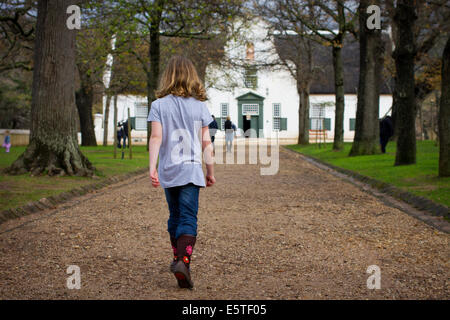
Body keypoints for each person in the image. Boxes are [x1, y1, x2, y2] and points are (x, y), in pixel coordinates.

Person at [148, 56, 215, 290]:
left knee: (174, 216)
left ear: (168, 76)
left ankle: (179, 260)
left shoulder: (158, 105)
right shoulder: (199, 106)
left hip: (169, 170)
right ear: (192, 76)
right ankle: (183, 263)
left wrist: (152, 167)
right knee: (188, 217)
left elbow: (156, 137)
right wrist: (210, 171)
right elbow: (207, 142)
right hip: (191, 170)